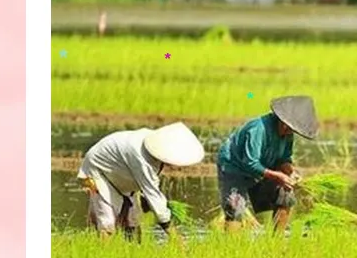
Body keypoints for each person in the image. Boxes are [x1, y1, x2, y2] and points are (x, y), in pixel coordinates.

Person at [76, 122, 206, 242]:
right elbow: (153, 194)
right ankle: (103, 257)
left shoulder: (154, 146)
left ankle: (134, 253)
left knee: (132, 222)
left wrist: (147, 200)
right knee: (107, 222)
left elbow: (147, 187)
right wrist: (173, 235)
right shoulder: (142, 158)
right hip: (98, 170)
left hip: (121, 173)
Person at [216, 95, 320, 233]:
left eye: (293, 130)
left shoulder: (288, 134)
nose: (289, 132)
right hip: (235, 168)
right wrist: (278, 176)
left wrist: (290, 172)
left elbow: (284, 158)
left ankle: (276, 242)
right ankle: (231, 247)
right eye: (288, 127)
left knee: (286, 193)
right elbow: (251, 163)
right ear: (282, 121)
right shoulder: (258, 129)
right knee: (235, 208)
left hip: (261, 170)